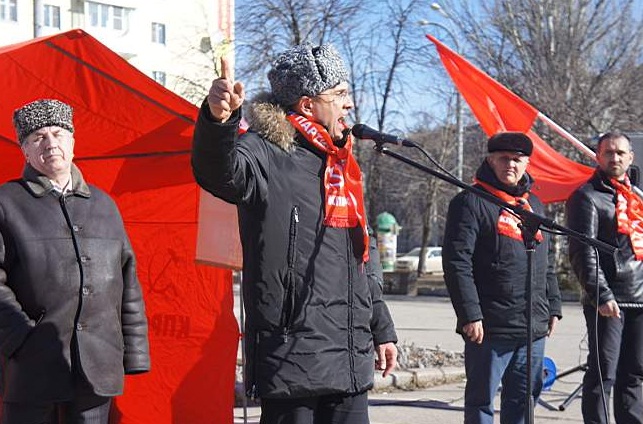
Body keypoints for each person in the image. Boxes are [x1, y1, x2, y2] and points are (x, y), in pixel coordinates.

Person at [191, 44, 398, 424]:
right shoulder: (266, 151)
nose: (348, 104)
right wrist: (218, 122)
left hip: (349, 358)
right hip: (293, 358)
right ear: (306, 105)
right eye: (338, 94)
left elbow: (362, 257)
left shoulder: (343, 166)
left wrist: (381, 328)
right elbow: (219, 173)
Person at [0, 99, 150, 424]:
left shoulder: (105, 205)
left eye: (58, 133)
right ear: (24, 151)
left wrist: (134, 351)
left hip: (99, 362)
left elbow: (128, 283)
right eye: (38, 137)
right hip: (31, 364)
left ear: (72, 141)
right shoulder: (6, 202)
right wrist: (22, 339)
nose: (51, 143)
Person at [442, 132, 562, 424]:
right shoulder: (470, 202)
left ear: (527, 163)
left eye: (517, 160)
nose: (511, 165)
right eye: (504, 159)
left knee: (523, 402)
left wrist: (554, 306)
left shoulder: (532, 203)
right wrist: (470, 314)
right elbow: (457, 263)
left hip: (532, 326)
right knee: (481, 402)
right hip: (489, 327)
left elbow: (545, 261)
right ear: (490, 160)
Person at [566, 132, 643, 424]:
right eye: (609, 153)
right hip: (609, 299)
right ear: (598, 156)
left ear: (630, 158)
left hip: (640, 297)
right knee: (602, 373)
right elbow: (582, 251)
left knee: (633, 374)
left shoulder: (636, 196)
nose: (615, 158)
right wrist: (602, 293)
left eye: (621, 153)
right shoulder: (586, 196)